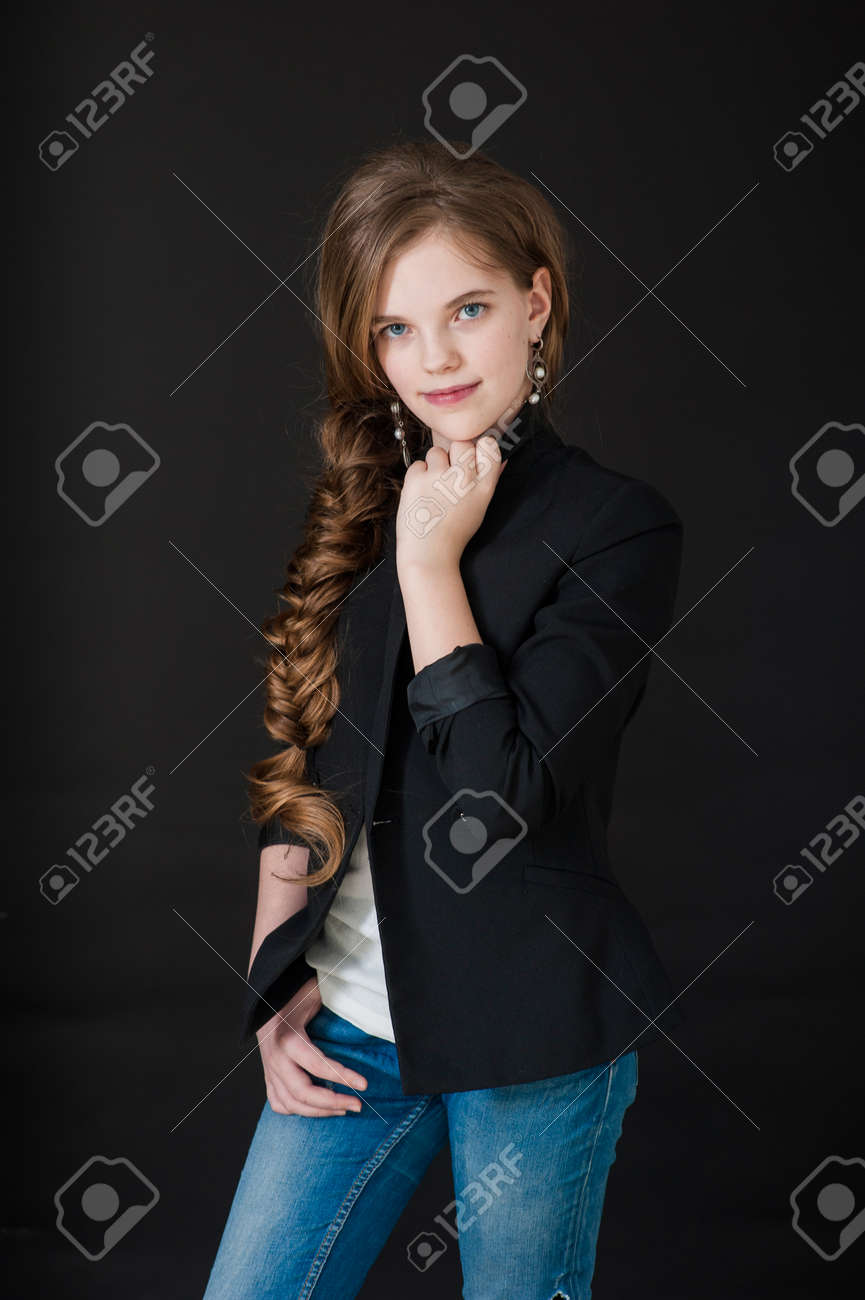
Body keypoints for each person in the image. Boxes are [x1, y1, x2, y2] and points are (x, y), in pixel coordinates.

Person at [203, 136, 685, 1300]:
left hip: (532, 1036)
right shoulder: (365, 499)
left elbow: (498, 797)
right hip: (350, 1025)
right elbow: (308, 742)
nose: (435, 358)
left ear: (535, 303)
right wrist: (271, 977)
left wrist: (430, 568)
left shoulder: (616, 526)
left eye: (467, 309)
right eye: (395, 329)